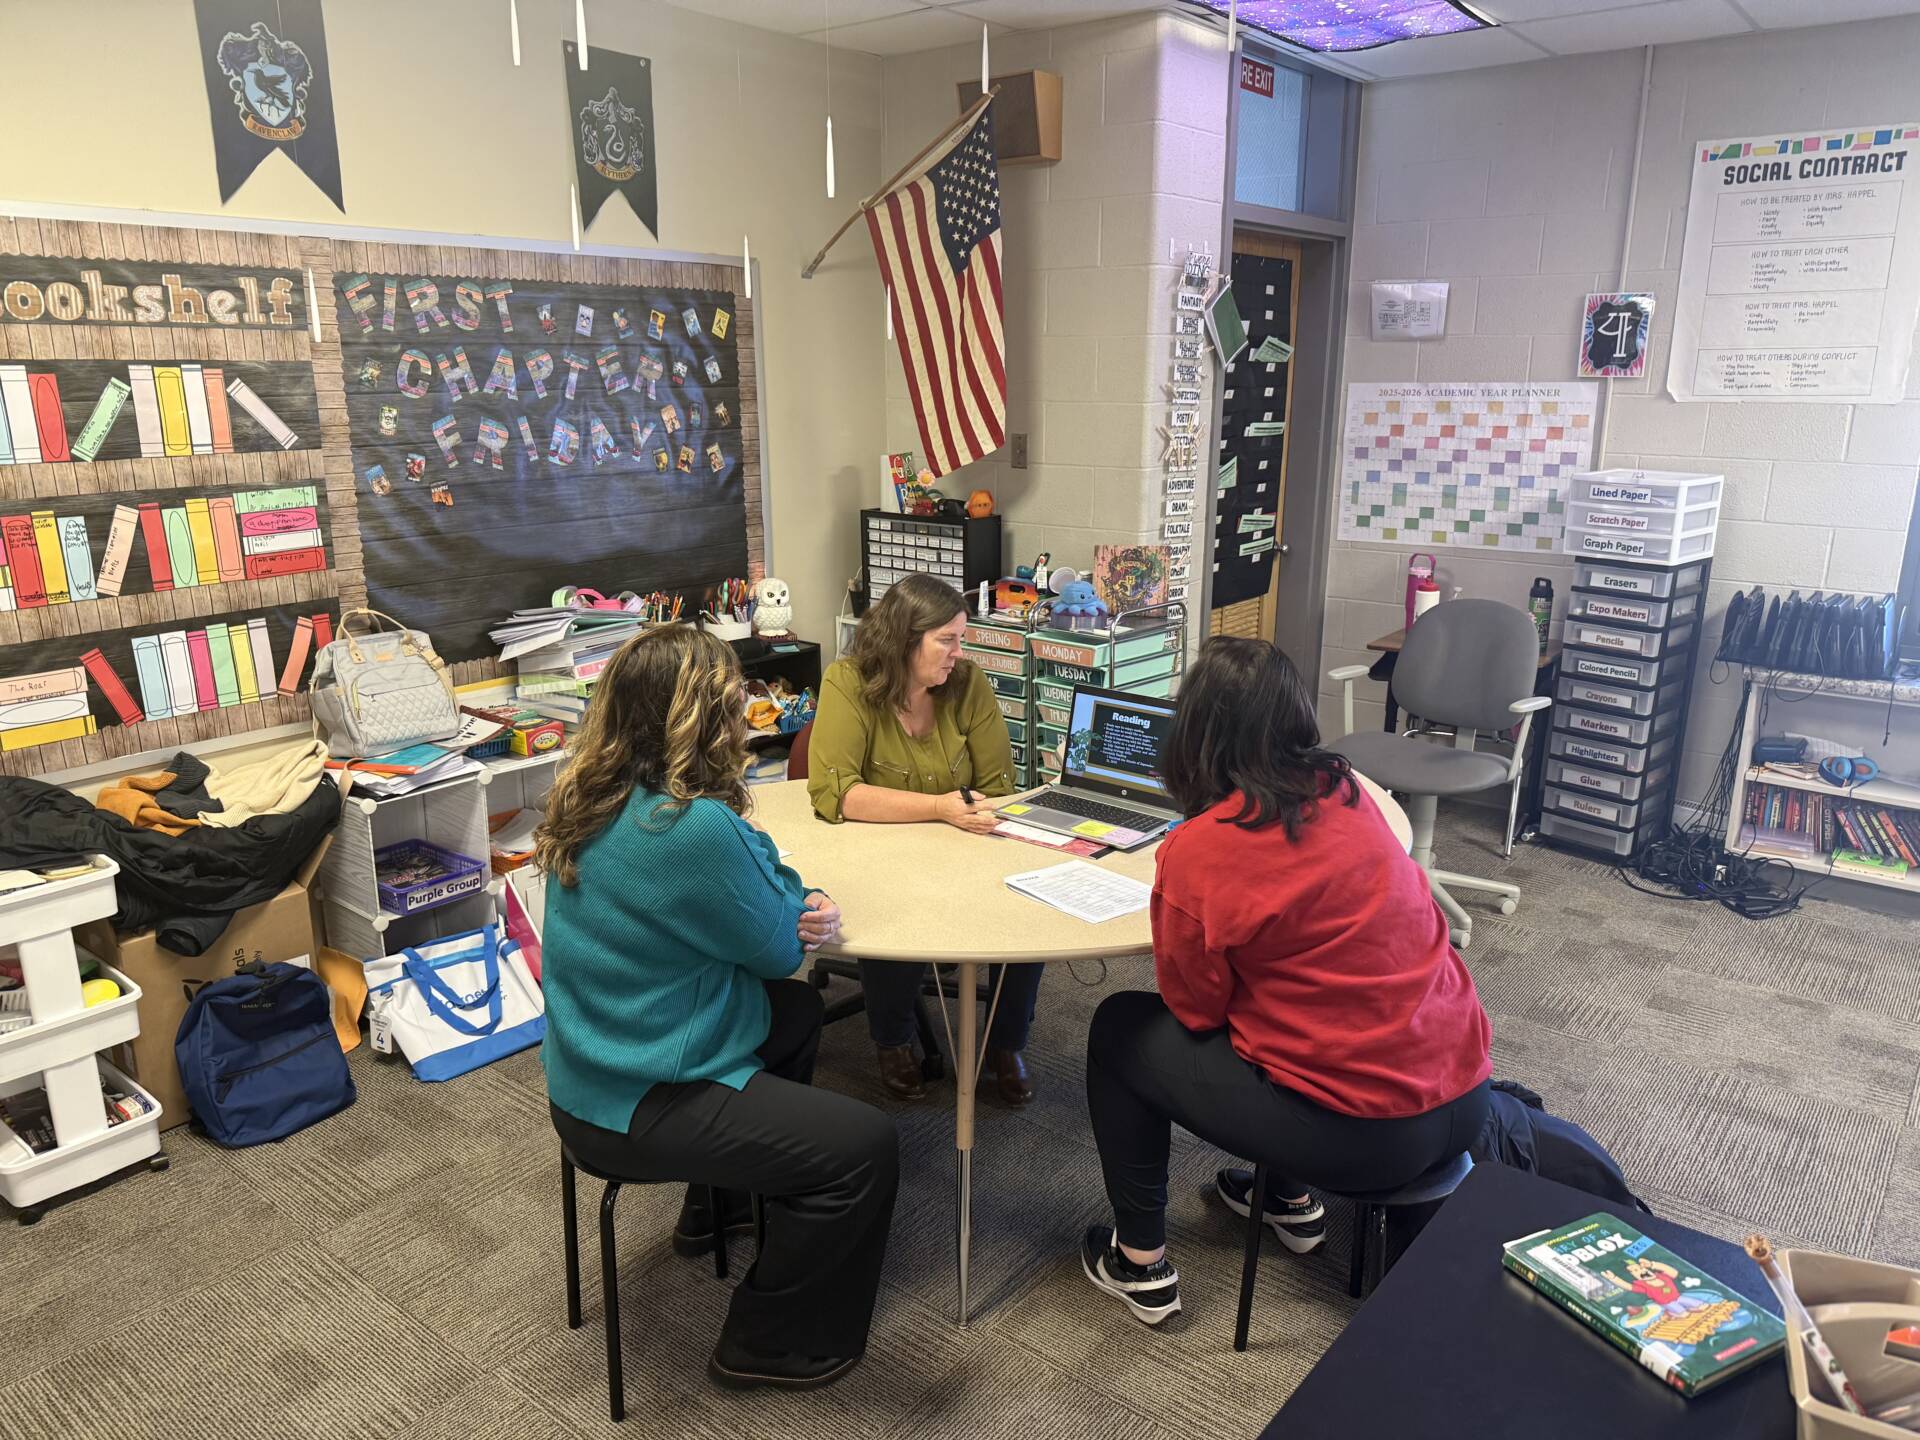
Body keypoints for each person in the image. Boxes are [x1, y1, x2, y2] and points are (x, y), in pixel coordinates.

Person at [1077, 636, 1492, 1325]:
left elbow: (1196, 1010)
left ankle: (1138, 1262)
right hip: (1465, 1094)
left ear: (1195, 731)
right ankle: (1289, 1201)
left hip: (1363, 1137)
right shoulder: (1350, 790)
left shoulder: (1201, 848)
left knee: (1118, 1028)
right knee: (1301, 1006)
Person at [535, 625, 899, 1390]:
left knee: (794, 1017)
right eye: (737, 702)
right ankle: (767, 1340)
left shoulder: (593, 795)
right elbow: (776, 946)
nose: (748, 713)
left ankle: (716, 1206)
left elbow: (745, 912)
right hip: (643, 1102)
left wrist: (766, 874)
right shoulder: (691, 826)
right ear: (705, 720)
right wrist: (799, 893)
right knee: (864, 1148)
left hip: (587, 1078)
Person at [807, 572, 1039, 1105]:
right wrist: (938, 808)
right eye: (948, 640)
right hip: (879, 850)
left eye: (962, 638)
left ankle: (1006, 1044)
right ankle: (892, 1041)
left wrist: (966, 816)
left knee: (1032, 901)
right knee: (888, 905)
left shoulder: (967, 682)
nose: (959, 652)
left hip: (968, 844)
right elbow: (837, 794)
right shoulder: (848, 681)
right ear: (906, 638)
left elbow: (999, 786)